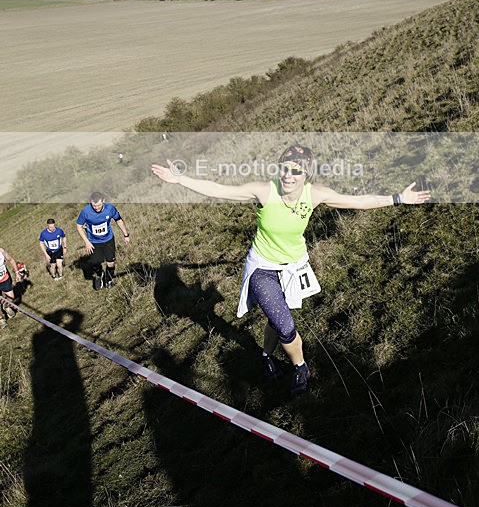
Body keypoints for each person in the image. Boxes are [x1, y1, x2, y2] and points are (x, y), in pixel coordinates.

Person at [151, 144, 431, 395]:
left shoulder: (315, 194)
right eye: (284, 168)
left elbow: (358, 201)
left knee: (275, 318)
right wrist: (179, 179)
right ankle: (300, 366)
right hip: (262, 267)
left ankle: (265, 357)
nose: (287, 175)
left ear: (306, 175)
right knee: (285, 325)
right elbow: (219, 189)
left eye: (295, 171)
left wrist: (397, 198)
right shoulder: (264, 190)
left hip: (293, 268)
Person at [76, 192, 130, 290]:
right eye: (94, 206)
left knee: (111, 262)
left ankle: (108, 280)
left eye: (99, 205)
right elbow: (79, 226)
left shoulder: (110, 208)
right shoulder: (85, 212)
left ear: (104, 201)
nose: (96, 208)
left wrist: (126, 235)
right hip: (93, 242)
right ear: (90, 203)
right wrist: (87, 242)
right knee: (95, 262)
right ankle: (99, 274)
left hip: (108, 239)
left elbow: (118, 220)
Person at [0, 245, 22, 328]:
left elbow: (11, 260)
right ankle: (1, 318)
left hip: (4, 279)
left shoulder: (1, 251)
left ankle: (6, 305)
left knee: (11, 297)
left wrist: (17, 273)